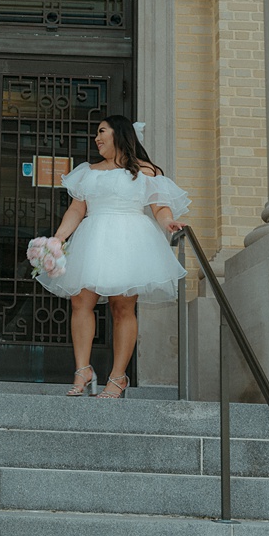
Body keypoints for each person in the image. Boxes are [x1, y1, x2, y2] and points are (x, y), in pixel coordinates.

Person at [36, 115, 189, 398]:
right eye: (96, 133)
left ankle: (118, 377)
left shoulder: (144, 170)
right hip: (93, 239)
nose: (97, 138)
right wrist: (58, 238)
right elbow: (76, 210)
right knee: (80, 300)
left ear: (119, 134)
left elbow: (159, 207)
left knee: (122, 308)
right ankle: (83, 370)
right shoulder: (88, 172)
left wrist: (168, 223)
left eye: (101, 132)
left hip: (130, 240)